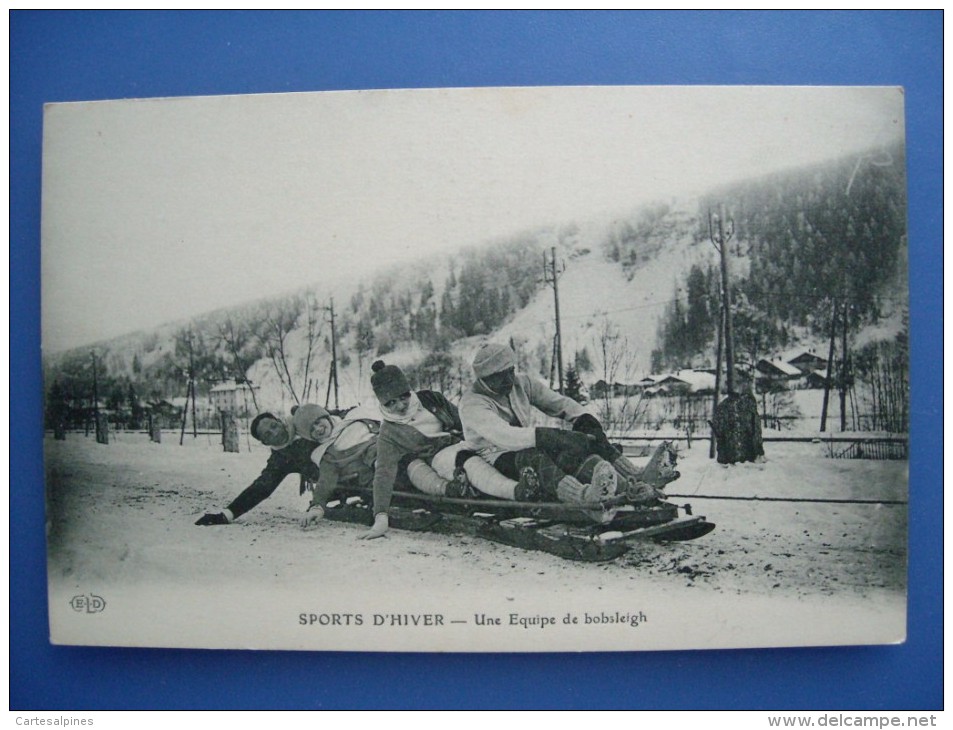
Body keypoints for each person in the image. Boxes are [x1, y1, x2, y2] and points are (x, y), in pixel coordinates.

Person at [355, 360, 540, 540]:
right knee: (467, 461)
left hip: (462, 442)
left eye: (403, 397)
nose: (400, 405)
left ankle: (536, 480)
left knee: (493, 451)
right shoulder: (389, 431)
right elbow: (383, 473)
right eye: (391, 403)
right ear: (383, 404)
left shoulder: (429, 399)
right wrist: (380, 517)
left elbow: (465, 420)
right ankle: (517, 491)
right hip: (437, 459)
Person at [459, 343, 649, 505]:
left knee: (576, 448)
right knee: (536, 459)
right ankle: (584, 496)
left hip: (525, 445)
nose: (509, 380)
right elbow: (506, 437)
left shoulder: (520, 384)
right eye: (501, 376)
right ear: (485, 378)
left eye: (511, 372)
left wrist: (583, 419)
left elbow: (558, 403)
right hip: (494, 457)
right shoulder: (472, 403)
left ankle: (630, 482)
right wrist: (554, 437)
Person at [194, 408, 328, 525]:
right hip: (333, 480)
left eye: (274, 426)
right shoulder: (281, 458)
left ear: (280, 422)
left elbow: (331, 418)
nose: (275, 433)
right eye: (268, 434)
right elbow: (261, 487)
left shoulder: (302, 421)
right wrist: (227, 514)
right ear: (265, 443)